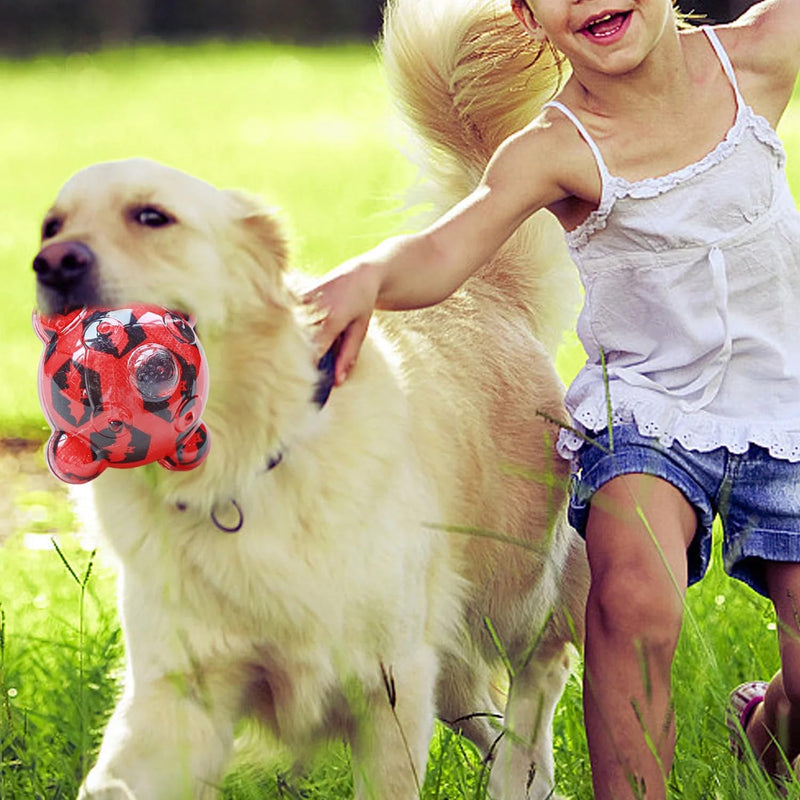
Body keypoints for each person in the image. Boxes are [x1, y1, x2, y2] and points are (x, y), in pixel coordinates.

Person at [306, 0, 800, 796]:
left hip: (786, 414)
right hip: (648, 416)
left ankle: (767, 727)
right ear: (529, 15)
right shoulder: (555, 147)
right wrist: (369, 278)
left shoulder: (760, 58)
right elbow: (445, 250)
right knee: (631, 604)